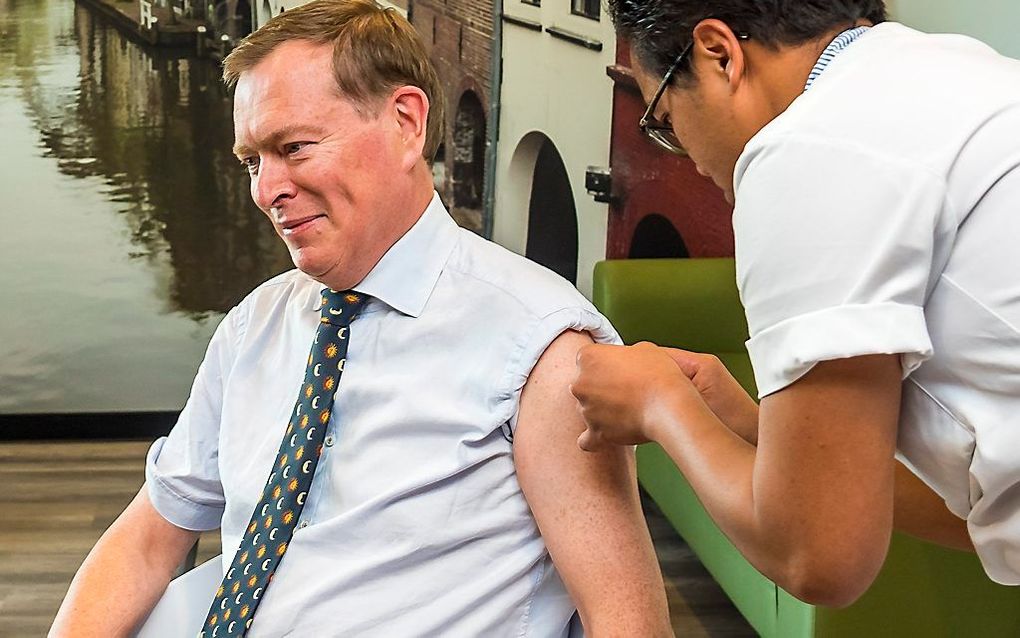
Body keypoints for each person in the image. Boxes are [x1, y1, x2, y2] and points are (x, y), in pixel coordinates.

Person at [50, 1, 672, 635]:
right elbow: (151, 536)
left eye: (293, 147)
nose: (267, 191)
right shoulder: (253, 326)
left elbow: (627, 623)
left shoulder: (542, 348)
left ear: (405, 122)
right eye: (252, 161)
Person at [572, 0, 1020, 608]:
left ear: (718, 53)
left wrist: (659, 404)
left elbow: (817, 560)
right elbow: (995, 512)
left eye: (665, 118)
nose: (684, 153)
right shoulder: (963, 75)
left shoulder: (808, 150)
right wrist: (754, 428)